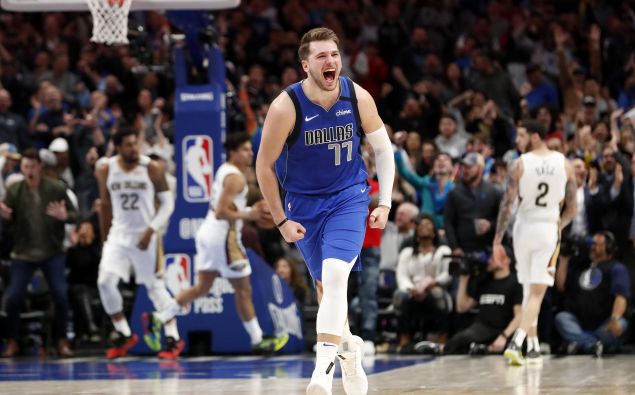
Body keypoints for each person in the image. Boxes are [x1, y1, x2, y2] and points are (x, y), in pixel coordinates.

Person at [256, 28, 395, 395]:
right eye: (321, 56)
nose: (330, 61)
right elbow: (263, 167)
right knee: (325, 288)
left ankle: (322, 373)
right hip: (303, 206)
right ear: (306, 65)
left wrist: (385, 202)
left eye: (334, 53)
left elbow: (384, 149)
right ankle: (349, 349)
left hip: (349, 198)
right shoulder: (287, 106)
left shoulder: (355, 95)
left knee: (335, 276)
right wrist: (281, 221)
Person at [152, 133, 290, 354]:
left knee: (203, 288)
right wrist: (251, 214)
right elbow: (221, 212)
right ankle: (258, 340)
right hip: (223, 238)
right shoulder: (235, 178)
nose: (250, 153)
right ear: (233, 153)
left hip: (209, 234)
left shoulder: (225, 170)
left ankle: (159, 317)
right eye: (245, 149)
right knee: (243, 290)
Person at [492, 119, 577, 366]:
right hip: (547, 227)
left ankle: (534, 348)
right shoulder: (566, 164)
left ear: (536, 136)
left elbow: (506, 206)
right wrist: (555, 227)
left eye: (521, 136)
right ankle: (517, 342)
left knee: (529, 289)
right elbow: (572, 209)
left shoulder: (518, 164)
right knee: (537, 292)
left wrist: (497, 240)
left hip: (522, 227)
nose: (517, 140)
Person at [95, 128, 181, 359]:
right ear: (118, 147)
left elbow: (167, 204)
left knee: (154, 287)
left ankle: (173, 338)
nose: (134, 149)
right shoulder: (106, 169)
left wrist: (151, 230)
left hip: (146, 235)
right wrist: (105, 240)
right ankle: (123, 333)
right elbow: (105, 205)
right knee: (105, 282)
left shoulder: (151, 167)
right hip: (118, 235)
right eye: (128, 145)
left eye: (135, 144)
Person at [0, 148, 76, 358]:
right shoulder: (15, 190)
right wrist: (5, 217)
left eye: (33, 166)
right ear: (21, 168)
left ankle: (62, 341)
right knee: (13, 298)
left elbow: (74, 215)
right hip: (23, 253)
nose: (29, 170)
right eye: (25, 166)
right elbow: (8, 219)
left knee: (60, 295)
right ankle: (12, 340)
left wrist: (64, 215)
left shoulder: (56, 188)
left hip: (52, 252)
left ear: (40, 167)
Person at [555, 231, 630, 356]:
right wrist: (564, 259)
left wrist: (615, 318)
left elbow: (620, 296)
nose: (592, 247)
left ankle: (578, 342)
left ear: (609, 247)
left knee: (621, 323)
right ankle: (593, 345)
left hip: (604, 324)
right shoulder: (581, 266)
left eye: (596, 244)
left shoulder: (617, 268)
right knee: (561, 318)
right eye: (591, 244)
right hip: (579, 323)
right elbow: (560, 285)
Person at [393, 214, 452, 352]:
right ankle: (404, 337)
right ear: (416, 232)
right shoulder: (407, 252)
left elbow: (447, 274)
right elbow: (401, 275)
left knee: (438, 295)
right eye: (421, 226)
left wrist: (434, 283)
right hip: (412, 291)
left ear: (434, 231)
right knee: (399, 295)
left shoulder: (443, 251)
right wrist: (410, 289)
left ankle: (442, 337)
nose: (424, 228)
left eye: (428, 225)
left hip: (434, 287)